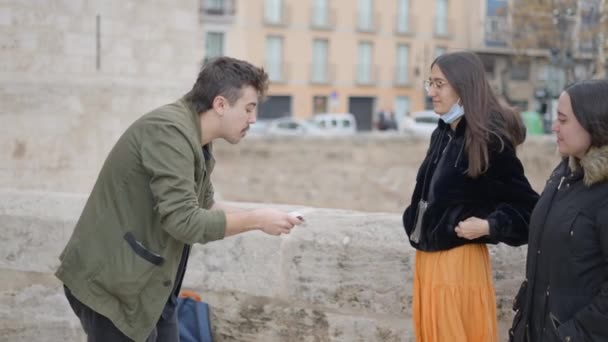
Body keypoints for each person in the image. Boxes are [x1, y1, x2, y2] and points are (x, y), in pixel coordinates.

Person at [55, 56, 303, 342]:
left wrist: (264, 214)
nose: (253, 119)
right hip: (111, 288)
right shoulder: (169, 133)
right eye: (248, 108)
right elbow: (184, 221)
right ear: (221, 104)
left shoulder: (196, 137)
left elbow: (205, 205)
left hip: (152, 291)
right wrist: (257, 221)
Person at [401, 51, 539, 342]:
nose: (431, 92)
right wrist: (413, 217)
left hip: (459, 266)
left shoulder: (489, 140)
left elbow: (530, 210)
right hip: (428, 264)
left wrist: (489, 226)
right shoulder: (442, 132)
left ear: (463, 87)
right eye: (430, 82)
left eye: (439, 84)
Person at [510, 79, 608, 342]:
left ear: (593, 123)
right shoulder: (565, 172)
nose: (554, 127)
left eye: (563, 120)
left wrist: (569, 336)